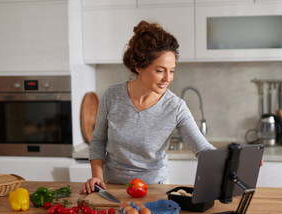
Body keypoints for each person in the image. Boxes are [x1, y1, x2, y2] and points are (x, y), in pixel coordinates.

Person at [81, 20, 215, 194]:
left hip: (155, 188)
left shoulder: (176, 107)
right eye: (160, 70)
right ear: (138, 66)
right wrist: (97, 176)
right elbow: (98, 140)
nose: (168, 78)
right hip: (112, 187)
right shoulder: (112, 96)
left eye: (172, 70)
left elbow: (203, 149)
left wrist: (235, 159)